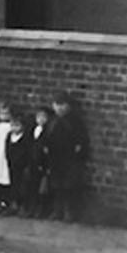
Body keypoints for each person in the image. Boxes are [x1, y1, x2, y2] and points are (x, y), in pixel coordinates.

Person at [44, 91, 90, 223]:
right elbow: (46, 135)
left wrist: (79, 149)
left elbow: (82, 138)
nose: (59, 108)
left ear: (68, 106)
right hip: (55, 157)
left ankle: (70, 212)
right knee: (56, 184)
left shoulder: (75, 121)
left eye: (62, 105)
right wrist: (46, 147)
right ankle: (57, 210)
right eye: (56, 105)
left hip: (69, 157)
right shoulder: (52, 120)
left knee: (69, 185)